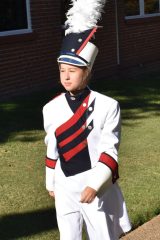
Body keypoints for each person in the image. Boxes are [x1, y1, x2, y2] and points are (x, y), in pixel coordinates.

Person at [43, 1, 131, 239]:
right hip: (64, 185)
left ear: (88, 71)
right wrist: (51, 183)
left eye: (73, 70)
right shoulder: (50, 108)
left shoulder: (107, 105)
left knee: (101, 234)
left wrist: (95, 185)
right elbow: (52, 146)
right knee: (68, 235)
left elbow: (109, 150)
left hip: (93, 183)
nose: (66, 76)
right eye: (62, 70)